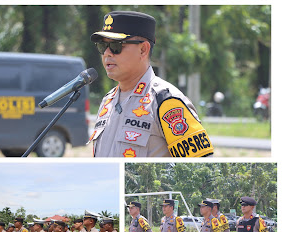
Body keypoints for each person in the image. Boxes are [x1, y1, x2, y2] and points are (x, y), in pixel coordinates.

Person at [88, 11, 214, 158]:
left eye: (116, 46)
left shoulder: (166, 101)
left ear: (143, 49)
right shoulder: (107, 101)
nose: (107, 53)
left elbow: (201, 163)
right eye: (102, 46)